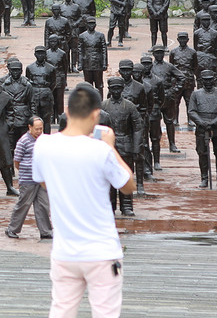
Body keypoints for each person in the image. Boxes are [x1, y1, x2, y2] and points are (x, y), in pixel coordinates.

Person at [32, 82, 136, 318]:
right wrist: (111, 147)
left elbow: (43, 181)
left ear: (67, 112)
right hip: (101, 251)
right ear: (96, 114)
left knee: (61, 310)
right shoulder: (100, 150)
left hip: (64, 252)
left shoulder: (44, 145)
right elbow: (128, 186)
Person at [6, 115, 52, 240]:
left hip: (41, 180)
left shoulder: (43, 140)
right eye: (36, 129)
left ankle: (46, 231)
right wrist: (25, 171)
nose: (39, 132)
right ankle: (12, 229)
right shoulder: (23, 141)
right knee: (23, 204)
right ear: (29, 127)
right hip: (28, 180)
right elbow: (17, 161)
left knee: (43, 205)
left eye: (41, 129)